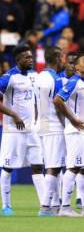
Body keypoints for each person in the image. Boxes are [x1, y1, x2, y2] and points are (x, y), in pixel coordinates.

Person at [54, 55, 84, 217]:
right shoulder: (73, 82)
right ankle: (64, 207)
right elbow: (57, 100)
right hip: (75, 132)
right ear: (77, 67)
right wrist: (73, 120)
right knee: (73, 167)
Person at [0, 44, 44, 216]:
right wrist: (14, 115)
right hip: (13, 130)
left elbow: (35, 99)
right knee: (7, 167)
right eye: (27, 57)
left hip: (31, 129)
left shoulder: (34, 75)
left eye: (31, 57)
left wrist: (36, 117)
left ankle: (44, 206)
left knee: (37, 166)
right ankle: (6, 206)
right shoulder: (8, 77)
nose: (31, 59)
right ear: (17, 60)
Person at [37, 46, 65, 216]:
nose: (63, 61)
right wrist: (68, 123)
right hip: (54, 126)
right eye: (62, 58)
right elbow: (59, 104)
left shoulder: (39, 77)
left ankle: (55, 204)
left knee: (51, 166)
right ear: (57, 58)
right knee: (54, 168)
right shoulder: (56, 79)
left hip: (41, 125)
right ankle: (45, 207)